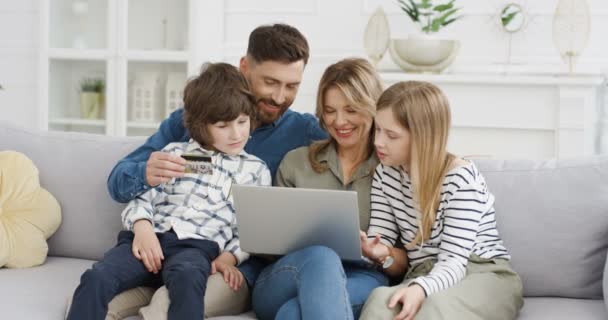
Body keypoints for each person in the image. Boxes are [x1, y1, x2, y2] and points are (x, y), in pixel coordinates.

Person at [105, 24, 327, 318]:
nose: (279, 97)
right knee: (90, 303)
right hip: (163, 253)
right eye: (270, 82)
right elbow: (118, 182)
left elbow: (363, 139)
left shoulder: (305, 132)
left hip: (231, 268)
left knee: (165, 307)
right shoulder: (193, 119)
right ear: (244, 66)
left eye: (292, 86)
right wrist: (145, 173)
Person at [66, 63, 271, 320]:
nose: (236, 133)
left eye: (242, 122)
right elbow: (144, 196)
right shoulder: (177, 153)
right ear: (201, 126)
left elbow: (251, 226)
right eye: (223, 126)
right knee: (97, 277)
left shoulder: (253, 170)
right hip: (148, 240)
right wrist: (142, 228)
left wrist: (230, 257)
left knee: (188, 282)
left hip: (196, 249)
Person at [251, 58, 408, 320]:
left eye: (351, 109)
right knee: (321, 257)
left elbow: (402, 264)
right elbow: (268, 248)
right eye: (330, 110)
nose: (339, 121)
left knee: (292, 314)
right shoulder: (296, 162)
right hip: (287, 275)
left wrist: (382, 256)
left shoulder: (392, 171)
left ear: (372, 108)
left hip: (362, 276)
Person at [358, 81, 523, 320]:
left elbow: (454, 261)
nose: (378, 142)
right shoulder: (386, 174)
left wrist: (421, 288)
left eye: (391, 135)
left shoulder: (461, 178)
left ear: (422, 137)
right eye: (378, 130)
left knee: (432, 309)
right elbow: (381, 242)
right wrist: (375, 252)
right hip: (424, 272)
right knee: (378, 303)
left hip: (481, 272)